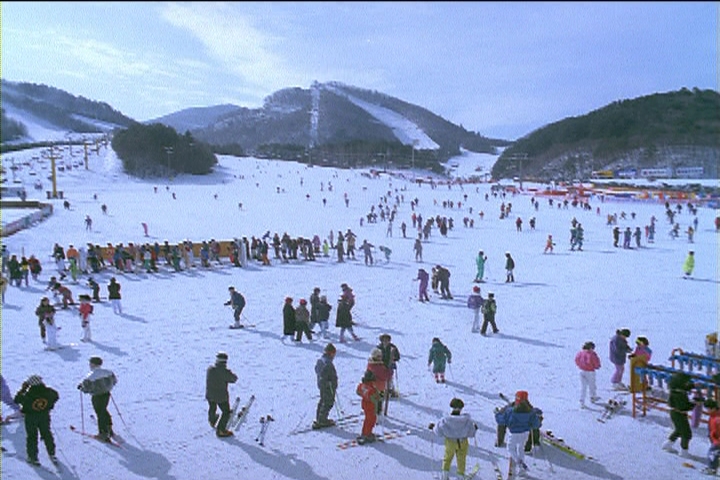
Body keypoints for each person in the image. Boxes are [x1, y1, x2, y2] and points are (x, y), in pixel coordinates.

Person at [14, 375, 59, 466]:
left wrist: (23, 389)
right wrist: (49, 406)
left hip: (31, 418)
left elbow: (17, 400)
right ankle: (52, 453)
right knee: (47, 434)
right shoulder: (49, 392)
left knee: (32, 437)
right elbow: (56, 396)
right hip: (44, 416)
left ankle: (33, 457)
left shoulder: (28, 395)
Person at [495, 391, 541, 478]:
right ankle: (521, 470)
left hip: (514, 433)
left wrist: (497, 413)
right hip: (525, 433)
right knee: (521, 448)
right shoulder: (530, 411)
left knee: (510, 448)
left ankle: (519, 462)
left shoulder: (511, 411)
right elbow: (536, 424)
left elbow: (500, 420)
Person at [429, 398, 478, 480]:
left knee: (447, 458)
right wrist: (475, 428)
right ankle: (460, 476)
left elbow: (438, 431)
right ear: (461, 409)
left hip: (450, 442)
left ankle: (445, 476)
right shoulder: (466, 421)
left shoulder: (445, 420)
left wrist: (433, 427)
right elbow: (471, 433)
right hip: (463, 442)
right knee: (461, 460)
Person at [78, 356, 117, 442]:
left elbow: (87, 388)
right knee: (104, 410)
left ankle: (103, 433)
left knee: (100, 413)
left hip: (97, 396)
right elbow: (114, 381)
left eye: (90, 363)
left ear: (93, 364)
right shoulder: (108, 372)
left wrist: (82, 388)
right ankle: (109, 427)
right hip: (106, 394)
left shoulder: (91, 376)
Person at [662, 372, 696, 457]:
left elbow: (685, 388)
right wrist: (694, 404)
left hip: (675, 413)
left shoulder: (675, 390)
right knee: (686, 433)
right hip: (679, 414)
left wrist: (693, 385)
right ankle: (684, 451)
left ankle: (667, 444)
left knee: (678, 430)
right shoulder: (680, 395)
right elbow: (684, 407)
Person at [204, 352, 238, 437]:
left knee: (212, 407)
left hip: (210, 394)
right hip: (221, 397)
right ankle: (221, 430)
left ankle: (212, 420)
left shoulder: (210, 369)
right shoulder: (224, 372)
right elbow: (234, 379)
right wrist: (229, 372)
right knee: (226, 412)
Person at [313, 343, 338, 429]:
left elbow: (316, 369)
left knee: (323, 400)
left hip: (321, 384)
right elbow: (331, 376)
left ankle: (319, 418)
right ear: (331, 353)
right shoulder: (328, 363)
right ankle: (322, 420)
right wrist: (333, 383)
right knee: (328, 402)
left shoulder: (321, 360)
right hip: (328, 385)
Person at [356, 370, 381, 444]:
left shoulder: (362, 385)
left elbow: (358, 392)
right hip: (371, 406)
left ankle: (364, 432)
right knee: (371, 420)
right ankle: (368, 434)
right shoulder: (372, 389)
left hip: (364, 404)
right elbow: (375, 399)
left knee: (367, 419)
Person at [575, 341, 601, 408]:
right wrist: (597, 366)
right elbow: (596, 362)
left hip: (582, 371)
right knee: (592, 385)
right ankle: (593, 397)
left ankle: (582, 401)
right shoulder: (592, 354)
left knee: (583, 387)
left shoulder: (580, 353)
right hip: (590, 372)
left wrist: (580, 365)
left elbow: (576, 360)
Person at [366, 348, 392, 414]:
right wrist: (389, 372)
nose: (380, 358)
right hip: (379, 387)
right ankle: (378, 413)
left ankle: (375, 411)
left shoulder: (371, 364)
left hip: (373, 387)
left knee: (375, 400)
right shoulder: (377, 367)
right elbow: (384, 376)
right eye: (379, 356)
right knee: (379, 400)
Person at [702, 399, 720, 475]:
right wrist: (710, 435)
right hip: (714, 439)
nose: (707, 410)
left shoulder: (718, 418)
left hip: (718, 441)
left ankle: (712, 469)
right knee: (714, 454)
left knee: (712, 453)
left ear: (713, 408)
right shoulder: (712, 416)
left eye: (708, 409)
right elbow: (711, 427)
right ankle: (713, 468)